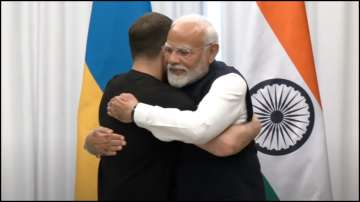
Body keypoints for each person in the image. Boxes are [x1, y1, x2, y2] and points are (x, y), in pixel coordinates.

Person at [84, 12, 261, 200]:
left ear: (212, 52)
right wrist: (91, 142)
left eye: (184, 52)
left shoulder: (227, 82)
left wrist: (135, 111)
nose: (173, 59)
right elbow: (223, 144)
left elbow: (202, 131)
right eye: (169, 50)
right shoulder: (171, 83)